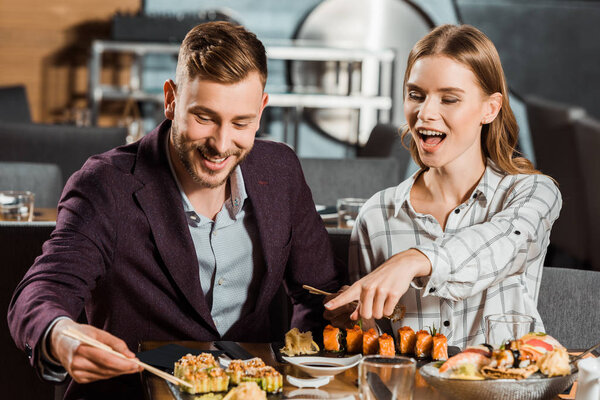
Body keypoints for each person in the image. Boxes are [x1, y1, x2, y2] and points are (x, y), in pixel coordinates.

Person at [8, 22, 341, 399]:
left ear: (261, 110)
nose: (220, 144)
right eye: (204, 117)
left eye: (241, 123)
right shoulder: (105, 184)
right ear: (171, 99)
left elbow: (322, 296)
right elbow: (42, 290)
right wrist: (60, 334)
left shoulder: (281, 172)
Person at [324, 24, 561, 349]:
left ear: (489, 109)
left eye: (449, 99)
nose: (425, 112)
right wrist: (354, 319)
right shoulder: (376, 215)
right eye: (415, 95)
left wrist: (414, 259)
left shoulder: (532, 192)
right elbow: (374, 345)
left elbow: (506, 242)